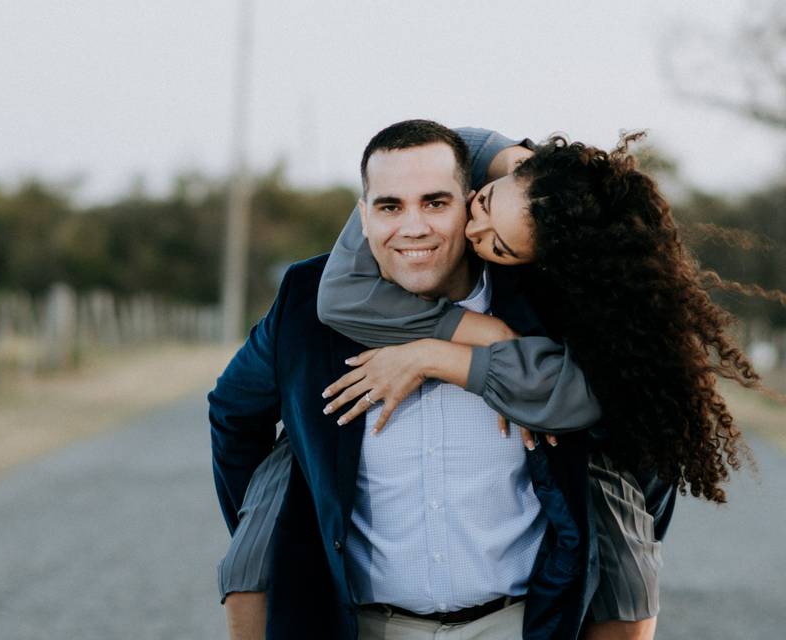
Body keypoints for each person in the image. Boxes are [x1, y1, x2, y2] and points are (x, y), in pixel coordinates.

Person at [315, 129, 759, 638]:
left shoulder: (583, 295)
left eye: (500, 248)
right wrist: (481, 332)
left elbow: (581, 400)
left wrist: (435, 356)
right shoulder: (438, 162)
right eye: (481, 204)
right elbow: (339, 297)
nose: (473, 234)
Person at [211, 120, 613, 640]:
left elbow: (628, 418)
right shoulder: (306, 302)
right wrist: (276, 530)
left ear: (470, 203)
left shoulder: (543, 298)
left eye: (435, 202)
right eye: (390, 207)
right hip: (365, 625)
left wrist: (435, 355)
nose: (414, 227)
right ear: (362, 217)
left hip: (517, 623)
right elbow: (232, 412)